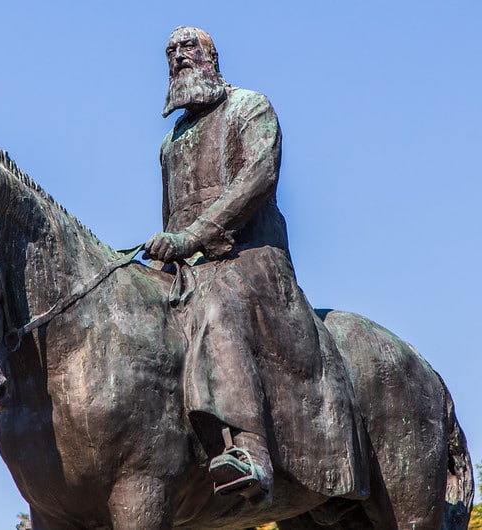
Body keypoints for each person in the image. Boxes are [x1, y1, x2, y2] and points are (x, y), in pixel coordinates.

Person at [143, 26, 369, 502]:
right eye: (171, 52)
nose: (179, 58)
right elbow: (171, 215)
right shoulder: (170, 143)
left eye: (188, 48)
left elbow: (258, 178)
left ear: (211, 56)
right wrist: (165, 258)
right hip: (193, 263)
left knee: (218, 306)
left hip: (250, 257)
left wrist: (195, 235)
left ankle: (252, 451)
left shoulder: (249, 107)